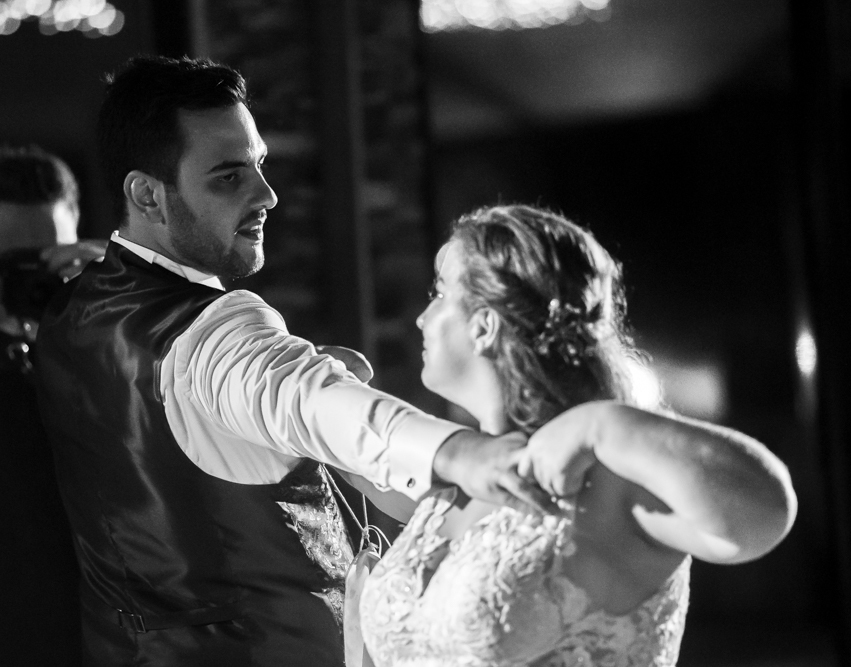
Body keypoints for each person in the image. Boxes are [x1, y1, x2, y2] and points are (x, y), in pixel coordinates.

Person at [31, 57, 563, 667]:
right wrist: (460, 452)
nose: (267, 194)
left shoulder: (69, 315)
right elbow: (309, 399)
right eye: (229, 177)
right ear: (147, 194)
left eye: (259, 165)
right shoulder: (214, 328)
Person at [359, 204, 798, 666]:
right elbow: (354, 448)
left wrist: (603, 425)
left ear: (484, 325)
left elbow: (764, 513)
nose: (421, 318)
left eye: (439, 292)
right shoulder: (455, 481)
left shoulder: (603, 476)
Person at [0, 145, 106, 665]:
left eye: (46, 261)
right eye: (9, 265)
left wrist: (130, 306)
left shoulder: (107, 353)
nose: (29, 282)